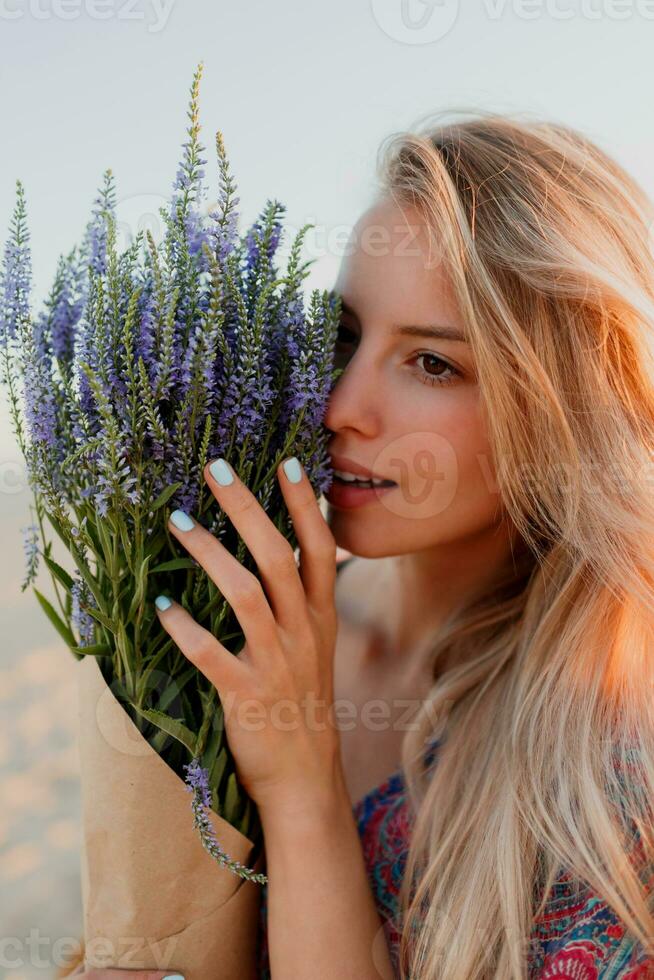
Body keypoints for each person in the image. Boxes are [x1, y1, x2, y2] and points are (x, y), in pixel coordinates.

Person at [68, 113, 654, 979]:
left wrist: (302, 792)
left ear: (567, 411)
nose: (340, 405)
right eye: (342, 337)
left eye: (433, 364)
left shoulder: (611, 776)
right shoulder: (227, 629)